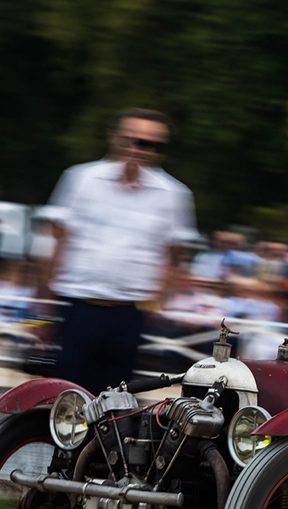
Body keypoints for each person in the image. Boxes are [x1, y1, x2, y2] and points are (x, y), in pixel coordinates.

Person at [43, 108, 197, 393]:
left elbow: (176, 258)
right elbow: (53, 244)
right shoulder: (80, 179)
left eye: (152, 144)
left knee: (115, 405)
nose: (140, 150)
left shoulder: (174, 194)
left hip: (130, 315)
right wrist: (41, 311)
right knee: (62, 399)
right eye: (133, 140)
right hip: (77, 307)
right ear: (113, 137)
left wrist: (155, 307)